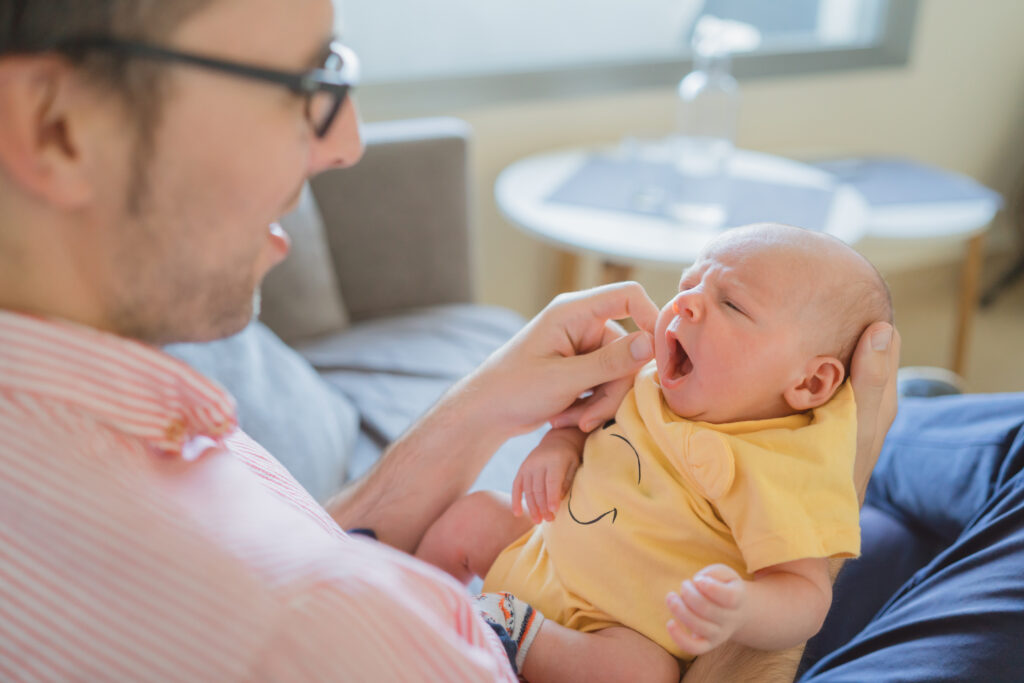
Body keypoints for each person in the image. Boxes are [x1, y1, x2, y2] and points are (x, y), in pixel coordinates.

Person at [0, 1, 899, 680]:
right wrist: (839, 481)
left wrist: (483, 405)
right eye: (302, 89)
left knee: (936, 443)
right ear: (57, 126)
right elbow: (325, 587)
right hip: (642, 613)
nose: (347, 143)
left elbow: (315, 535)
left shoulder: (86, 407)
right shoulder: (327, 628)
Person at [415, 223, 893, 681]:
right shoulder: (646, 379)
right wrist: (558, 446)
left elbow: (807, 596)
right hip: (538, 553)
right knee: (470, 518)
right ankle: (403, 606)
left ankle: (505, 628)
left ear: (810, 381)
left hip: (615, 632)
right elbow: (586, 421)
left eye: (732, 304)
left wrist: (745, 608)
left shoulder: (785, 465)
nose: (686, 303)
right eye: (689, 283)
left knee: (644, 675)